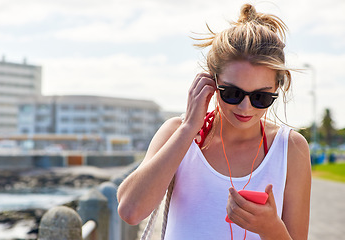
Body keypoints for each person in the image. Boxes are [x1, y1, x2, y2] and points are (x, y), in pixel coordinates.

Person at [117, 3, 311, 240]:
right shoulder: (178, 133)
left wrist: (271, 228)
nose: (245, 107)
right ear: (211, 81)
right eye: (232, 93)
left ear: (278, 89)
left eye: (260, 97)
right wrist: (189, 127)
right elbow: (130, 211)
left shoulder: (290, 148)